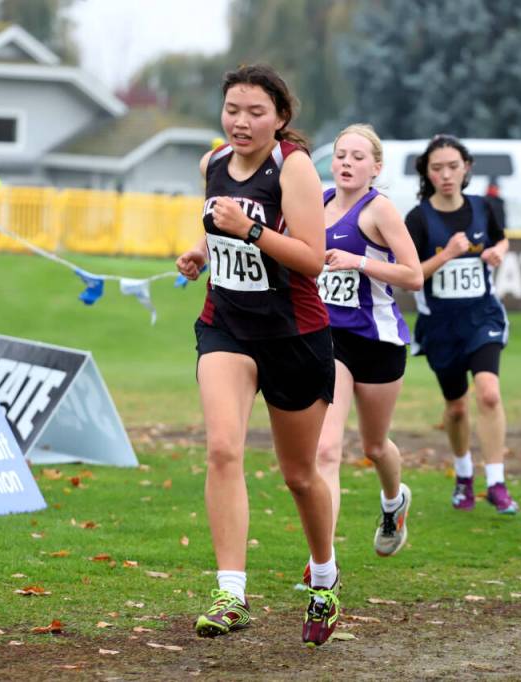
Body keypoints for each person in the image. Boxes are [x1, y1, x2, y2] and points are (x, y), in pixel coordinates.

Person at [175, 64, 340, 647]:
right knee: (222, 449)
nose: (241, 122)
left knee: (299, 475)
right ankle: (230, 592)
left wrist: (249, 232)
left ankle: (324, 577)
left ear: (281, 118)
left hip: (294, 336)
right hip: (227, 327)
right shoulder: (213, 163)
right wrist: (200, 251)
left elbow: (313, 258)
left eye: (255, 113)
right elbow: (217, 224)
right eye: (232, 110)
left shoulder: (292, 167)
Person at [314, 124, 423, 560]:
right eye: (341, 155)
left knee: (375, 446)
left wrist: (358, 261)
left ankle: (394, 502)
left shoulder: (380, 210)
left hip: (378, 341)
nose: (346, 163)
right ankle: (322, 562)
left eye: (358, 157)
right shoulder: (317, 205)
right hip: (331, 340)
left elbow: (413, 275)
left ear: (375, 167)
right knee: (326, 448)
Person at [405, 134, 519, 515]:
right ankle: (464, 474)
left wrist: (496, 253)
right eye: (437, 168)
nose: (446, 174)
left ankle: (498, 483)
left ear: (466, 168)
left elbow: (503, 241)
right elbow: (409, 274)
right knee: (456, 408)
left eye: (453, 166)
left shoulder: (484, 207)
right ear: (427, 172)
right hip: (441, 325)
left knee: (488, 393)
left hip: (481, 316)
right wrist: (448, 255)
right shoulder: (418, 219)